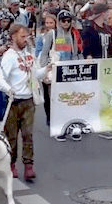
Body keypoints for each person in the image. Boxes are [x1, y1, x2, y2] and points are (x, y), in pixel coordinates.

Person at [0, 24, 51, 181]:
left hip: (28, 100)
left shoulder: (29, 55)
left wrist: (46, 69)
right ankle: (11, 164)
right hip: (13, 102)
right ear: (13, 37)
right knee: (11, 136)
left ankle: (29, 165)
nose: (26, 39)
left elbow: (34, 75)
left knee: (28, 135)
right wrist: (8, 89)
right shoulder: (9, 56)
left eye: (27, 36)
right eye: (22, 36)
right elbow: (0, 78)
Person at [39, 10, 82, 141]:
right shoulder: (52, 34)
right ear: (59, 22)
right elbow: (44, 53)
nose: (66, 23)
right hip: (54, 71)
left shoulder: (73, 36)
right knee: (54, 101)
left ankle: (69, 126)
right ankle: (57, 128)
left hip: (68, 72)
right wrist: (45, 70)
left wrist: (76, 69)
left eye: (69, 21)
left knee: (68, 101)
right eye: (63, 21)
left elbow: (74, 54)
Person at [81, 0, 112, 140]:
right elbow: (85, 46)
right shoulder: (90, 28)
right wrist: (88, 57)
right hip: (95, 66)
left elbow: (111, 48)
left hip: (106, 66)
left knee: (105, 96)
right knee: (92, 96)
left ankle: (102, 124)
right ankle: (88, 122)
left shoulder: (107, 29)